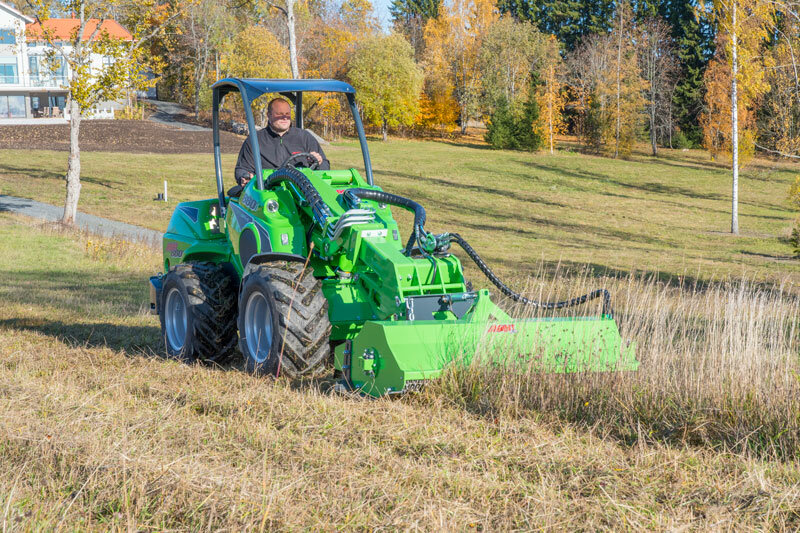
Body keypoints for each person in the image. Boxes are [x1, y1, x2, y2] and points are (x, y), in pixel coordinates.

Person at [234, 97, 330, 186]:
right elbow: (242, 169)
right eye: (279, 114)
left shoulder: (305, 137)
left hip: (302, 189)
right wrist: (244, 176)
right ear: (269, 115)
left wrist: (318, 162)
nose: (284, 117)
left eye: (287, 114)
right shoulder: (254, 140)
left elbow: (325, 166)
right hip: (267, 189)